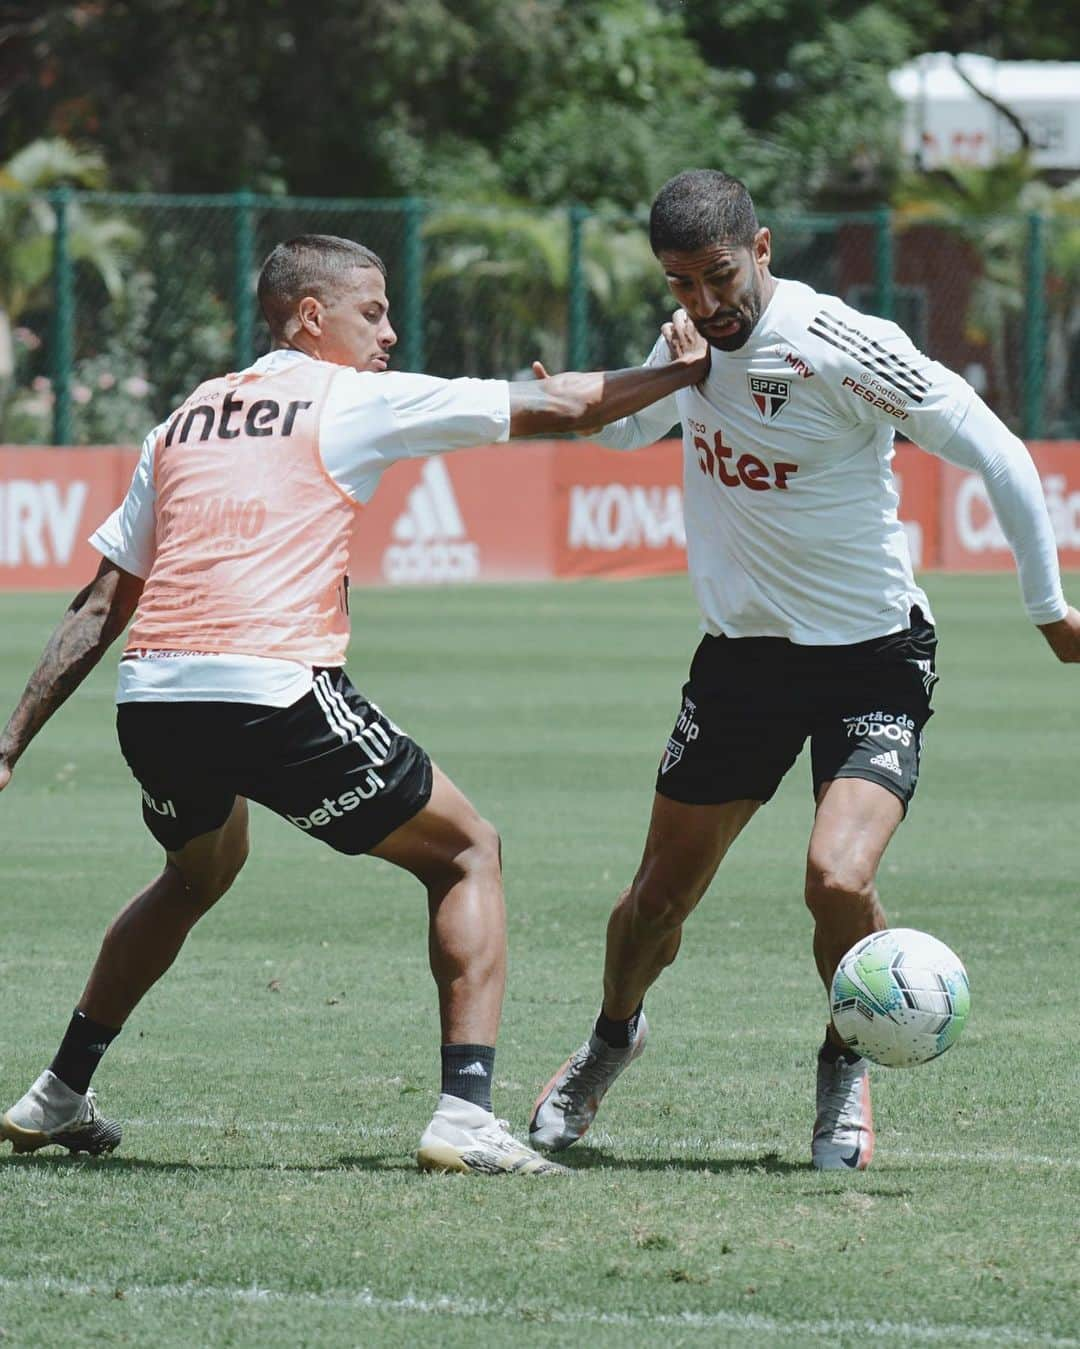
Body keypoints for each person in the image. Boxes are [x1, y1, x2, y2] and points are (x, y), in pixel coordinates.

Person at [0, 233, 710, 1176]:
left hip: (155, 693)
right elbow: (565, 404)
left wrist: (11, 742)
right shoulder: (352, 396)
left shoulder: (183, 418)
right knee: (467, 852)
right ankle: (465, 1115)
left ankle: (58, 1092)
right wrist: (677, 368)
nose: (389, 331)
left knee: (193, 872)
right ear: (309, 318)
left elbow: (101, 604)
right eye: (370, 311)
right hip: (271, 686)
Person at [529, 171, 1080, 1170]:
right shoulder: (689, 341)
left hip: (872, 657)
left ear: (765, 248)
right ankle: (611, 1037)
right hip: (742, 662)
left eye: (719, 276)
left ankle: (845, 1065)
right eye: (681, 282)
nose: (703, 304)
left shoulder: (842, 345)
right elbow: (617, 431)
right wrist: (658, 375)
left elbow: (998, 450)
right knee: (654, 902)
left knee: (837, 875)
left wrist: (1049, 609)